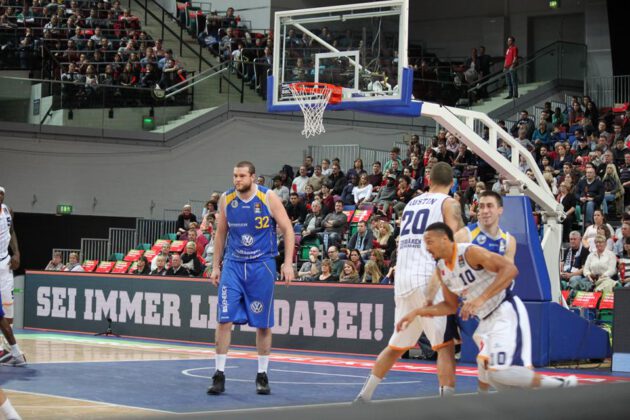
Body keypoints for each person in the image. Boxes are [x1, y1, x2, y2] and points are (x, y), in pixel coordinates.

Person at [396, 222, 577, 391]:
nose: (426, 248)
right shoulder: (442, 268)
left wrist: (480, 299)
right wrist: (416, 312)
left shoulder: (469, 252)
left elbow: (511, 270)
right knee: (488, 373)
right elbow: (450, 306)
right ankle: (484, 406)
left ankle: (560, 384)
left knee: (500, 372)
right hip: (485, 321)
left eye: (429, 242)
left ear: (444, 239)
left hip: (505, 311)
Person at [355, 162, 464, 402]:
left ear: (428, 180)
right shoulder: (449, 203)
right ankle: (448, 406)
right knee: (445, 346)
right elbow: (456, 237)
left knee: (396, 347)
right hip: (426, 278)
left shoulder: (412, 203)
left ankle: (364, 397)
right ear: (452, 182)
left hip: (403, 279)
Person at [208, 161, 295, 395]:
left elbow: (288, 229)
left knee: (263, 324)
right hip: (234, 265)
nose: (237, 180)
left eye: (242, 176)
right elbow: (220, 234)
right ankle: (219, 374)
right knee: (223, 319)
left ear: (253, 177)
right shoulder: (226, 199)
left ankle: (262, 374)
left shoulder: (268, 197)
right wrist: (215, 266)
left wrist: (287, 263)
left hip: (262, 265)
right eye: (235, 175)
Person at [453, 190, 516, 393]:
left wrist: (481, 297)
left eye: (489, 206)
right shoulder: (465, 235)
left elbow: (508, 276)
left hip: (496, 305)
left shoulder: (508, 240)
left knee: (489, 360)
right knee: (485, 360)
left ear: (500, 210)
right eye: (481, 206)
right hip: (471, 306)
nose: (485, 210)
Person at [0, 186, 26, 367]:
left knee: (8, 314)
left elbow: (12, 231)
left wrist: (16, 253)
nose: (0, 197)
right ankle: (12, 352)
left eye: (2, 194)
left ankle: (11, 351)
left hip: (5, 263)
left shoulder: (8, 210)